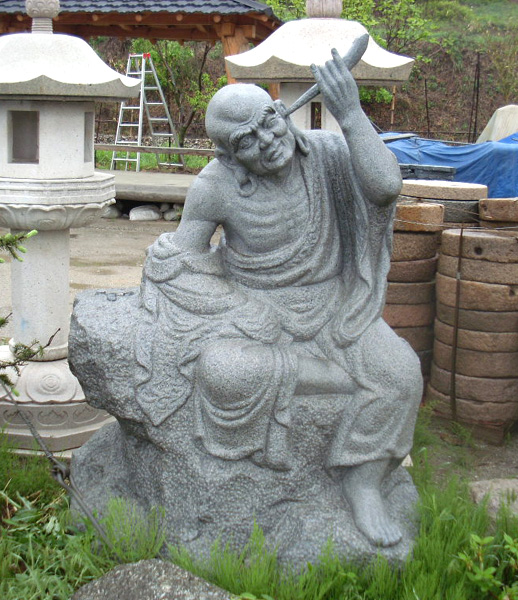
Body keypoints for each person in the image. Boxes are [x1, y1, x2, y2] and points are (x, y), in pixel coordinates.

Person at [135, 49, 422, 547]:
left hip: (337, 310)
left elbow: (385, 187)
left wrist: (351, 113)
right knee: (223, 370)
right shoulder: (215, 186)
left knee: (401, 373)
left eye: (269, 122)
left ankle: (362, 482)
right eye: (247, 140)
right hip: (258, 314)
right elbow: (179, 264)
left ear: (282, 112)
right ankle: (332, 384)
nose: (268, 141)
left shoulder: (328, 153)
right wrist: (242, 308)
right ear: (229, 156)